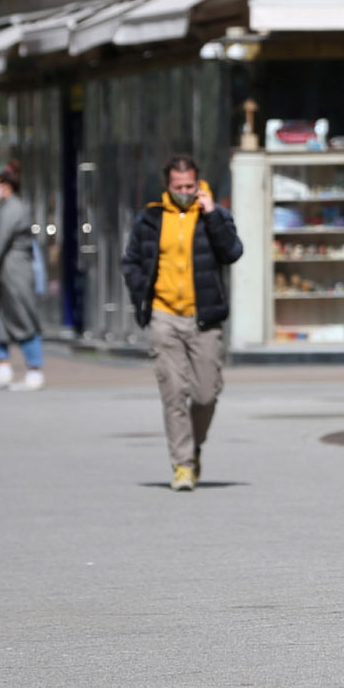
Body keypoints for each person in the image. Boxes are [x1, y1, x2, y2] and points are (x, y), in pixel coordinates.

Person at [122, 156, 243, 492]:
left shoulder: (213, 216)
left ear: (198, 183)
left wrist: (213, 214)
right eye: (179, 188)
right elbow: (131, 261)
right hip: (164, 316)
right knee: (174, 393)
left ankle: (194, 447)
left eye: (190, 186)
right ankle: (183, 465)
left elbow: (232, 252)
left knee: (205, 395)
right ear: (168, 186)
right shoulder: (150, 218)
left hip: (203, 317)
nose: (185, 192)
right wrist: (141, 300)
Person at [0, 162, 44, 391]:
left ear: (6, 185)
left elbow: (0, 242)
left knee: (22, 317)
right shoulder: (6, 208)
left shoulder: (14, 208)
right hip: (4, 272)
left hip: (15, 271)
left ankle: (34, 370)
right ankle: (2, 367)